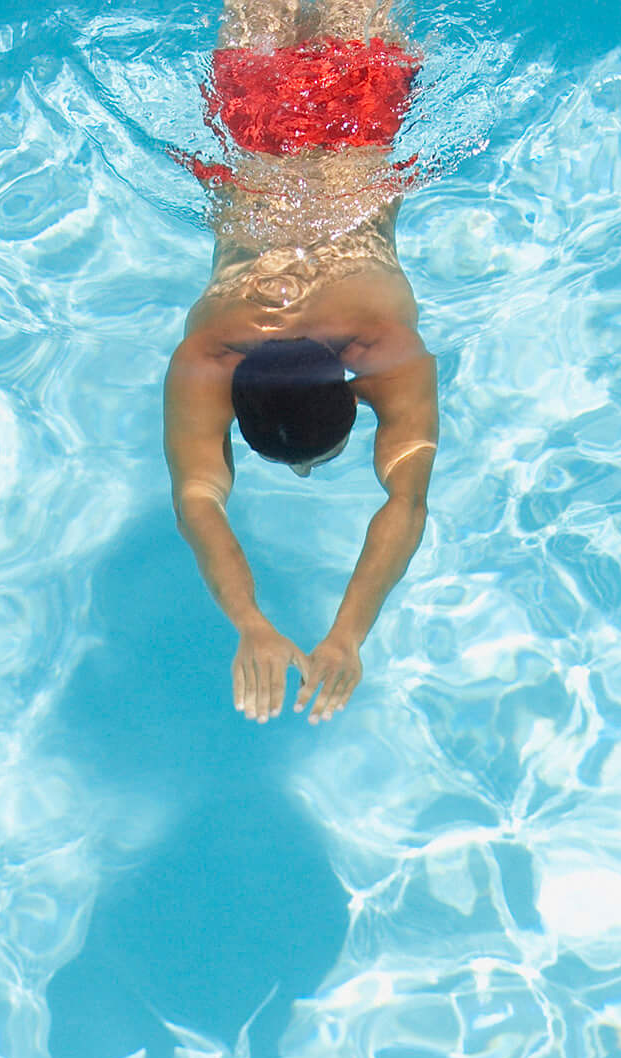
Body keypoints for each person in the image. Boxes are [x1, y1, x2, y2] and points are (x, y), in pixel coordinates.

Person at [163, 0, 440, 721]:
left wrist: (347, 637)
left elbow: (407, 503)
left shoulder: (386, 346)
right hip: (254, 134)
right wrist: (250, 623)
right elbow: (196, 499)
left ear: (357, 395)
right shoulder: (210, 351)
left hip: (360, 131)